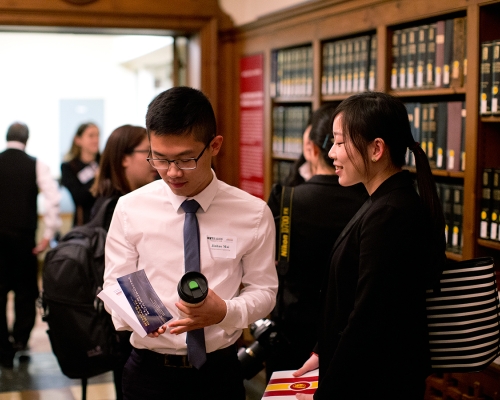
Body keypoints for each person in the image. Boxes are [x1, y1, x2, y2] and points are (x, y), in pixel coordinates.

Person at [103, 86, 278, 400]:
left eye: (185, 160)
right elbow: (116, 282)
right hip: (148, 374)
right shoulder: (130, 208)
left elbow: (264, 290)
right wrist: (141, 316)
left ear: (214, 146)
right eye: (159, 158)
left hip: (219, 372)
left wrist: (224, 311)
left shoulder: (252, 213)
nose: (171, 173)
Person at [294, 92, 446, 400]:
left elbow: (368, 319)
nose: (331, 154)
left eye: (339, 142)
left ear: (376, 149)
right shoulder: (382, 201)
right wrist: (324, 351)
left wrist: (329, 391)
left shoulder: (390, 213)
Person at [266, 104, 368, 379]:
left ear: (311, 150)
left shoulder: (286, 200)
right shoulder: (372, 201)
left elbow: (265, 262)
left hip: (293, 332)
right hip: (353, 333)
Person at [90, 124, 158, 399]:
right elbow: (123, 276)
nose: (154, 162)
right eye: (148, 153)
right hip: (129, 324)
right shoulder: (118, 207)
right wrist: (155, 322)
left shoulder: (108, 201)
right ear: (124, 158)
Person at [0, 122, 61, 368]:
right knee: (26, 292)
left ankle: (2, 347)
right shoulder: (36, 164)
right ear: (27, 140)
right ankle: (20, 341)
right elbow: (52, 199)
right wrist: (48, 234)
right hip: (25, 240)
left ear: (6, 137)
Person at [61, 122, 100, 226]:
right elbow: (78, 197)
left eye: (97, 135)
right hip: (84, 224)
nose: (96, 140)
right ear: (78, 140)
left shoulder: (105, 161)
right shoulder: (69, 167)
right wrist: (96, 178)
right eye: (91, 136)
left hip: (106, 221)